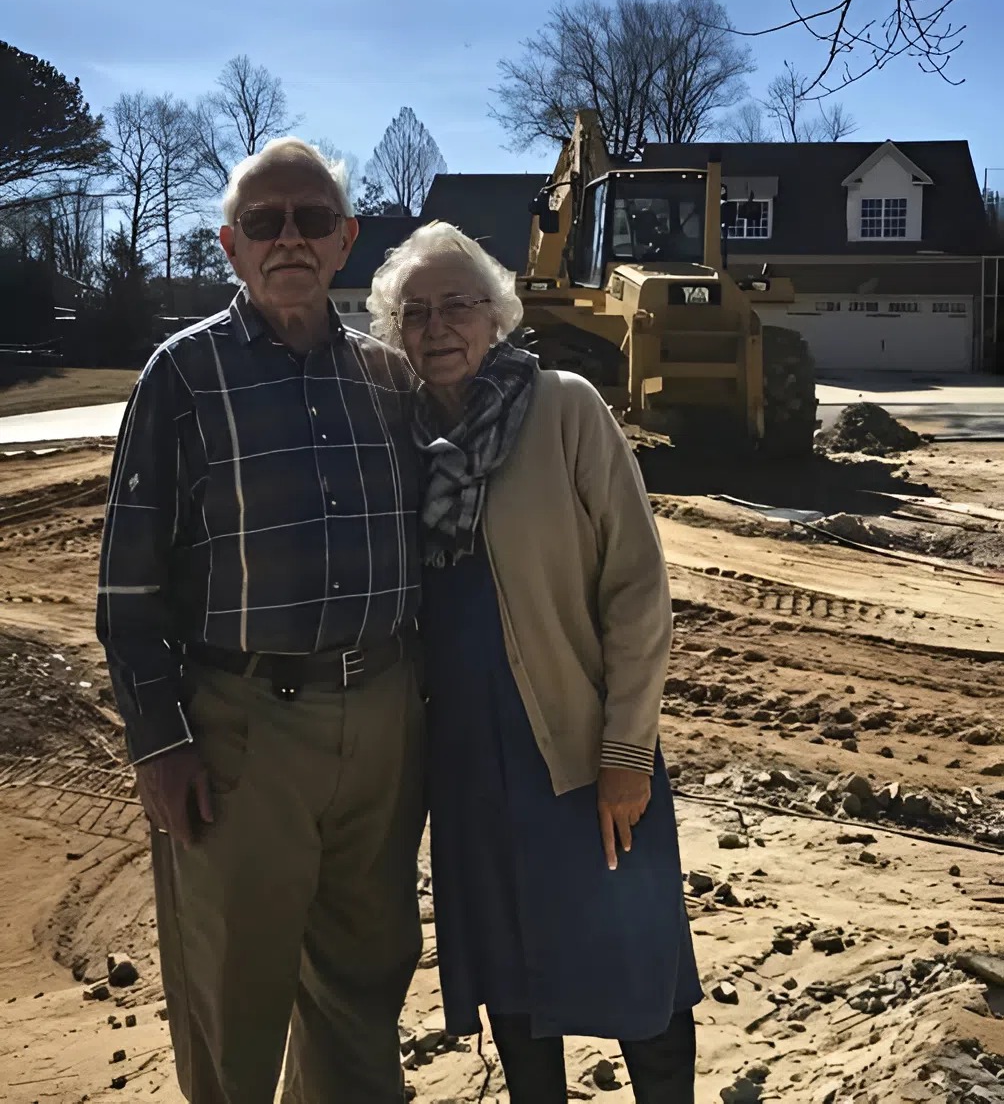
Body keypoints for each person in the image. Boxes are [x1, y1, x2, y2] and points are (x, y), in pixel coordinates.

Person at [96, 139, 425, 1104]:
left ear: (346, 242)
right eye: (266, 222)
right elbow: (125, 592)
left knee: (364, 984)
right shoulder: (182, 376)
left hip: (382, 723)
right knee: (234, 994)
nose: (291, 237)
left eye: (313, 220)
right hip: (243, 733)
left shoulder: (387, 378)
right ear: (231, 246)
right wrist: (160, 742)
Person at [367, 221, 703, 1104]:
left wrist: (627, 752)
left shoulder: (564, 407)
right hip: (467, 769)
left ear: (500, 314)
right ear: (394, 330)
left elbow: (636, 587)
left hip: (581, 753)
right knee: (514, 987)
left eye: (460, 306)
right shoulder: (398, 438)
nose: (439, 327)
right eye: (416, 312)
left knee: (639, 972)